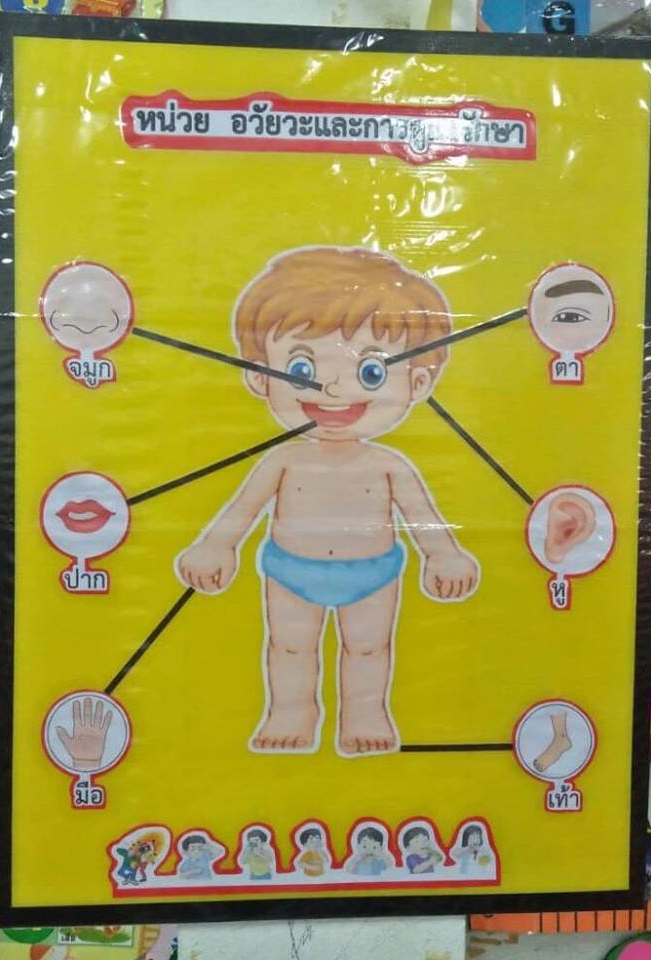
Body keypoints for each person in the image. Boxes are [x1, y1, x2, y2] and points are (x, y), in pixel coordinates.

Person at [177, 247, 479, 757]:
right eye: (301, 368)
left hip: (372, 574)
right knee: (288, 648)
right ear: (259, 375)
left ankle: (366, 714)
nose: (334, 388)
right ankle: (289, 712)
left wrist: (444, 554)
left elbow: (423, 518)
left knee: (370, 649)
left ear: (418, 382)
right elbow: (241, 510)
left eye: (371, 372)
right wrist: (216, 546)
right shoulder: (282, 460)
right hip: (291, 570)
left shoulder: (389, 465)